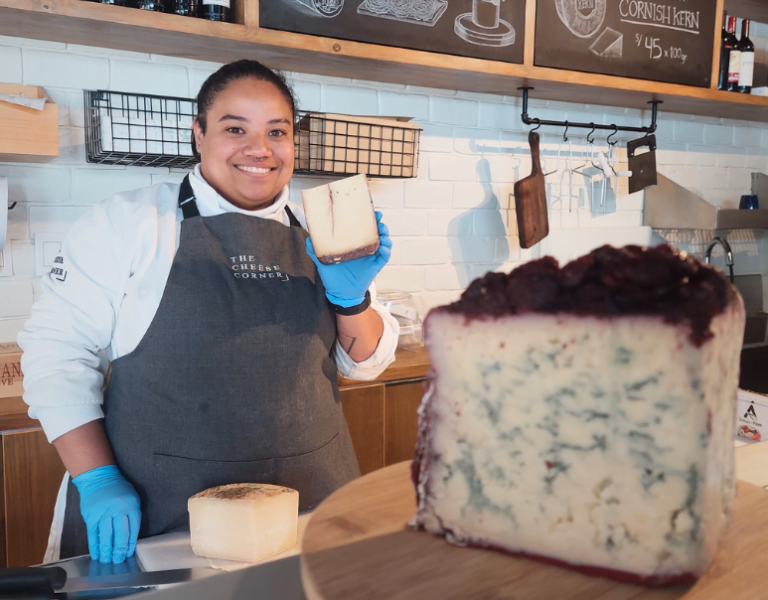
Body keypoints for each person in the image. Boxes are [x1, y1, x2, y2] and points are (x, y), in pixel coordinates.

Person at [18, 59, 399, 565]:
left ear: (293, 142)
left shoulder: (324, 226)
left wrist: (354, 300)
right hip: (161, 519)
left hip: (306, 512)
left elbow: (367, 362)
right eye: (233, 128)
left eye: (276, 131)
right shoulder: (129, 222)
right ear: (198, 134)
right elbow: (57, 353)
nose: (258, 148)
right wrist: (97, 478)